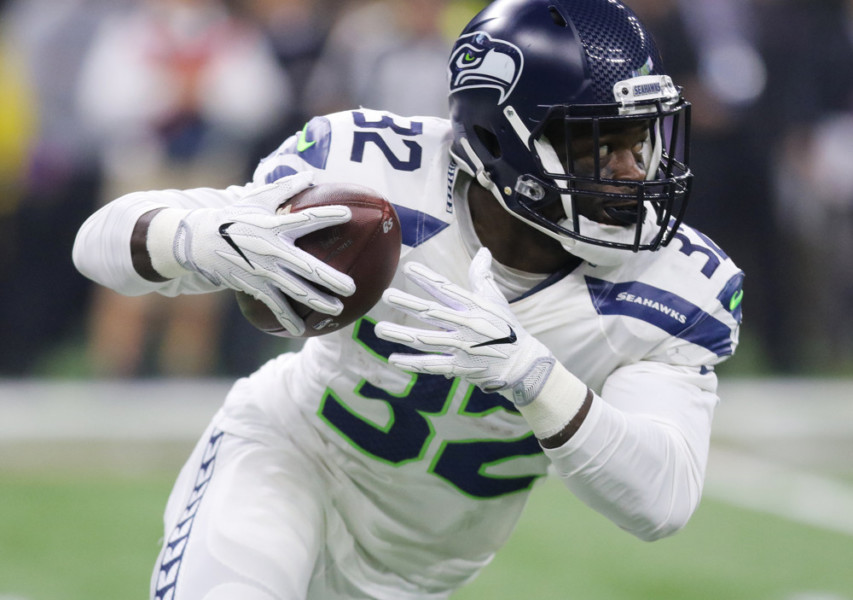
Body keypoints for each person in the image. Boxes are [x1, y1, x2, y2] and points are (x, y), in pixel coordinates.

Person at [72, 0, 743, 597]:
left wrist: (530, 376)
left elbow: (660, 501)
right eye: (599, 146)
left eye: (640, 141)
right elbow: (95, 244)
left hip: (422, 570)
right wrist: (197, 238)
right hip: (288, 461)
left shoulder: (674, 286)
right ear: (496, 140)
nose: (632, 175)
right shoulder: (371, 171)